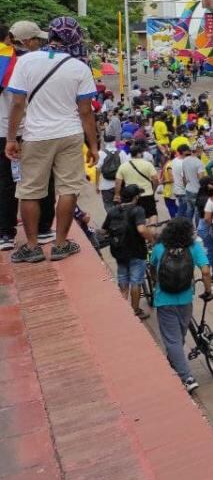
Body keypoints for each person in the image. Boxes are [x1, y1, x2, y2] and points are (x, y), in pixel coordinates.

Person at [6, 17, 99, 264]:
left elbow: (17, 103)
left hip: (35, 135)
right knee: (68, 189)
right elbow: (86, 112)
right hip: (69, 134)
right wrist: (93, 146)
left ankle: (33, 246)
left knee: (30, 191)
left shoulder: (25, 62)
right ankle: (60, 245)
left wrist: (12, 138)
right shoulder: (79, 67)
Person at [149, 216, 213, 393]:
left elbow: (152, 268)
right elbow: (206, 271)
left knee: (173, 340)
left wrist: (156, 283)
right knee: (179, 335)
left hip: (164, 300)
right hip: (185, 299)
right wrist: (208, 291)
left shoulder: (159, 248)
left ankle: (187, 377)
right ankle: (177, 363)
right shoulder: (193, 247)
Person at [103, 185, 156, 319]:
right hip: (136, 250)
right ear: (136, 197)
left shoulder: (113, 211)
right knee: (136, 281)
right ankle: (135, 310)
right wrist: (152, 239)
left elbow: (104, 230)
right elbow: (142, 230)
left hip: (119, 251)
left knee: (123, 280)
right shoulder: (137, 210)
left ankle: (123, 311)